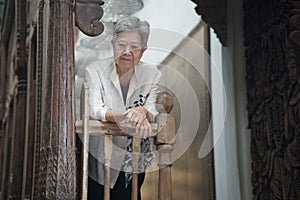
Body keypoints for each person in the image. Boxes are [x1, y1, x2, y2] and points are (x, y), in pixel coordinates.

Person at [85, 16, 161, 200]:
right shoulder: (94, 70)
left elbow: (152, 109)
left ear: (143, 50)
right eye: (122, 44)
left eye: (134, 47)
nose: (127, 51)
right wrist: (125, 116)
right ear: (113, 44)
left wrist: (142, 112)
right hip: (102, 156)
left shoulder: (152, 74)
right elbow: (95, 109)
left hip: (134, 156)